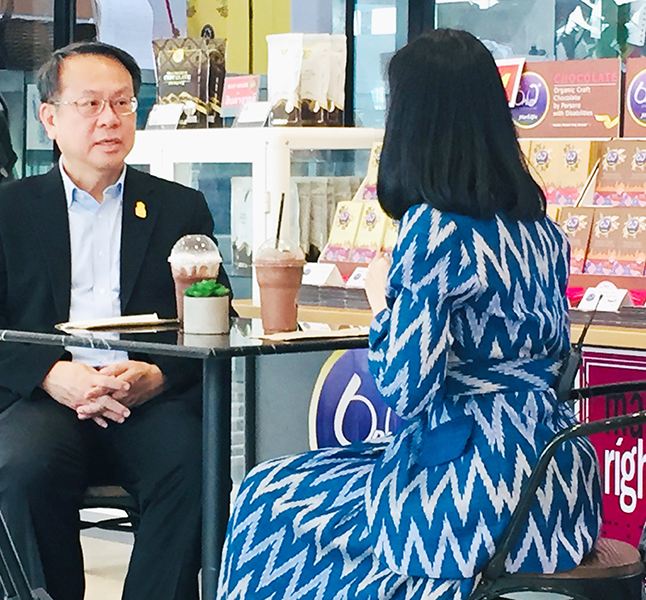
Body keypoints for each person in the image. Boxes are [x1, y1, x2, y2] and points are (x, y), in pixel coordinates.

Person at [216, 29, 601, 600]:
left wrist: (382, 301)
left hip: (473, 493)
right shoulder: (542, 231)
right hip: (556, 487)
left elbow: (405, 387)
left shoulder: (433, 228)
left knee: (265, 496)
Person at [0, 41, 229, 600]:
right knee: (26, 471)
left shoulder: (180, 207)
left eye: (123, 104)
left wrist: (159, 373)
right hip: (41, 397)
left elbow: (216, 318)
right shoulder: (6, 208)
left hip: (145, 396)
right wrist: (53, 372)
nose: (110, 119)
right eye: (91, 104)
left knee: (196, 466)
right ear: (49, 118)